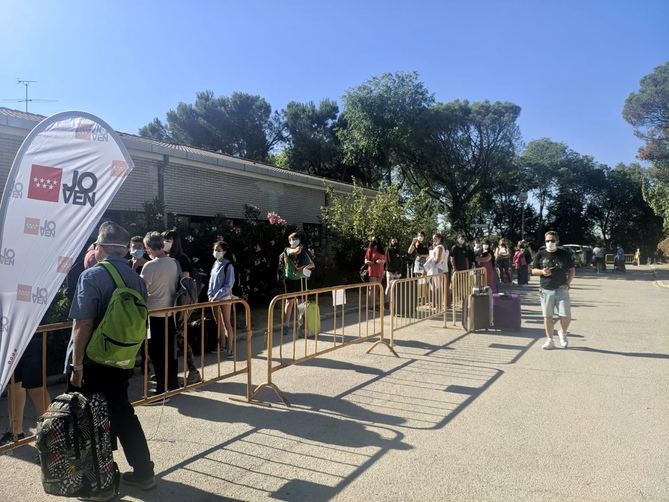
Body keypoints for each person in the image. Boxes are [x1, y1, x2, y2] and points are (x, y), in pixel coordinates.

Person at [67, 221, 155, 494]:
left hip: (92, 361)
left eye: (95, 245)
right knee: (122, 412)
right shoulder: (136, 279)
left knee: (87, 419)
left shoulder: (92, 276)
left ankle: (98, 482)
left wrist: (76, 365)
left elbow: (82, 324)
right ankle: (144, 472)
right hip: (121, 358)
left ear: (101, 247)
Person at [141, 231, 180, 396]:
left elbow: (142, 290)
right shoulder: (174, 263)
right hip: (170, 312)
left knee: (155, 352)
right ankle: (173, 384)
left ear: (149, 247)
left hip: (153, 314)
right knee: (170, 350)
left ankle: (160, 389)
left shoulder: (149, 266)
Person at [162, 230, 200, 384]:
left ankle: (193, 370)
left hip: (180, 304)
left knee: (180, 337)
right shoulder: (165, 258)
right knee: (170, 338)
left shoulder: (181, 258)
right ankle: (168, 371)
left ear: (175, 241)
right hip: (168, 303)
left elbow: (186, 283)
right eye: (164, 239)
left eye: (168, 239)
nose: (165, 242)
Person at [0, 334, 51, 446]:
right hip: (11, 337)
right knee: (13, 384)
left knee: (36, 387)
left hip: (32, 333)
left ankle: (51, 434)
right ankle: (15, 432)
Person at [531, 231, 575, 350]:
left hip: (561, 288)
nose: (550, 242)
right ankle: (550, 339)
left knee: (566, 315)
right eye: (547, 241)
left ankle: (562, 332)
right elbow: (533, 270)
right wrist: (542, 272)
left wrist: (567, 283)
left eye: (552, 240)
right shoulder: (540, 254)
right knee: (548, 316)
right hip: (546, 289)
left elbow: (571, 270)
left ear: (557, 241)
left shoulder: (564, 254)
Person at [280, 232, 315, 332]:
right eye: (291, 239)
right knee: (289, 302)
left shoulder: (304, 253)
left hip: (300, 280)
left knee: (300, 303)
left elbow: (312, 265)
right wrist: (300, 247)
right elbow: (295, 251)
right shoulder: (287, 250)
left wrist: (303, 268)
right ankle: (286, 325)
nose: (293, 241)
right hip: (289, 279)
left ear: (299, 240)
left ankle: (301, 324)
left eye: (295, 239)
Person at [208, 241, 235, 357]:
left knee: (226, 322)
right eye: (215, 250)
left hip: (224, 298)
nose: (216, 252)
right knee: (218, 322)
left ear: (224, 252)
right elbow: (211, 280)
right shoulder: (215, 263)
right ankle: (222, 345)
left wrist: (217, 296)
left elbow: (228, 285)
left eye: (219, 250)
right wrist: (210, 294)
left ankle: (230, 348)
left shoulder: (228, 265)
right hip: (214, 298)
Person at [364, 237, 386, 307]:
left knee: (377, 288)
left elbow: (385, 260)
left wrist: (382, 261)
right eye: (373, 240)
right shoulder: (370, 250)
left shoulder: (382, 250)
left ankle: (375, 304)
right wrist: (375, 262)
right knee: (372, 288)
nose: (374, 242)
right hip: (372, 271)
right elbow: (366, 261)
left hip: (380, 271)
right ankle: (371, 305)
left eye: (375, 240)